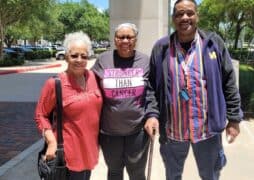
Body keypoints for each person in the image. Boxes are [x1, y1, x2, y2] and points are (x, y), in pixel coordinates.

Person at [146, 0, 243, 179]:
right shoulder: (161, 48)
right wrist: (152, 114)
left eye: (189, 13)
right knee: (173, 175)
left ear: (197, 15)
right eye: (179, 14)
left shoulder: (214, 43)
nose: (184, 17)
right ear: (173, 18)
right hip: (173, 132)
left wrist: (234, 119)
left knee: (210, 175)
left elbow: (229, 82)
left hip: (207, 131)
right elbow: (151, 86)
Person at [92, 23, 159, 180]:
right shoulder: (103, 60)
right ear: (115, 39)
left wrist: (152, 115)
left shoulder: (145, 61)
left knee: (136, 173)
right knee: (114, 172)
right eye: (121, 37)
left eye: (129, 37)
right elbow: (89, 86)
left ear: (135, 40)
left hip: (138, 131)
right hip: (109, 132)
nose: (125, 41)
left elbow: (152, 93)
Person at [34, 31, 103, 180]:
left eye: (83, 56)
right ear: (66, 56)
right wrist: (51, 141)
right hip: (68, 153)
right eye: (74, 55)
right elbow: (41, 115)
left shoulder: (93, 77)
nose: (79, 60)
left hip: (90, 149)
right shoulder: (55, 83)